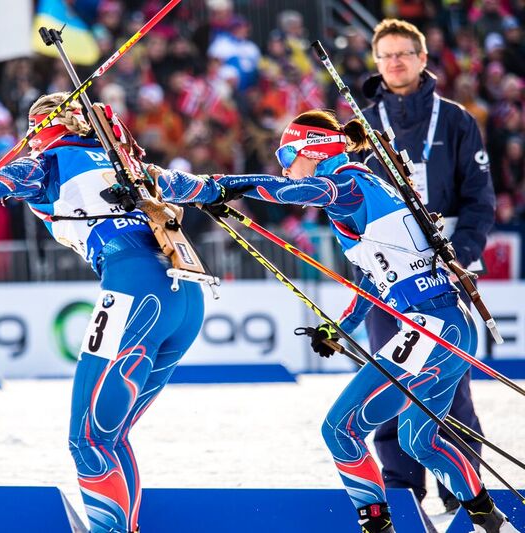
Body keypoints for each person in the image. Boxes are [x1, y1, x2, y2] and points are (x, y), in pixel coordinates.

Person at [149, 110, 517, 533]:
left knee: (339, 430)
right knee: (419, 441)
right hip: (451, 326)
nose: (284, 165)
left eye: (287, 153)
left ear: (313, 149)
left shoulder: (346, 182)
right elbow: (375, 280)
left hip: (433, 327)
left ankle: (378, 527)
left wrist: (214, 187)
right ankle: (493, 523)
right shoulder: (365, 188)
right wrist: (340, 326)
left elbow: (290, 191)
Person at [0, 92, 205, 533]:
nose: (31, 140)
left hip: (134, 289)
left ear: (43, 129)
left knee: (90, 441)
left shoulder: (52, 160)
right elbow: (197, 186)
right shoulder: (126, 163)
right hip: (185, 297)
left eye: (34, 129)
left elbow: (12, 177)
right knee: (111, 437)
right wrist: (231, 192)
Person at [359, 18, 495, 513]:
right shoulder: (361, 126)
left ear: (422, 58)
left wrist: (458, 253)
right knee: (389, 377)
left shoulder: (457, 121)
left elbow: (480, 199)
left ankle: (463, 489)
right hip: (384, 274)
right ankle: (401, 490)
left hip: (444, 268)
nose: (395, 62)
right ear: (377, 64)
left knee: (449, 379)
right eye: (386, 55)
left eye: (404, 53)